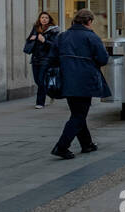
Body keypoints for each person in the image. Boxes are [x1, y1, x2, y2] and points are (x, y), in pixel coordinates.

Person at [47, 9, 110, 159]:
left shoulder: (62, 36)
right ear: (89, 21)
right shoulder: (91, 36)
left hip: (67, 81)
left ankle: (87, 144)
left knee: (78, 112)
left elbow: (52, 58)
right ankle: (61, 146)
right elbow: (103, 59)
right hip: (85, 80)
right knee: (78, 115)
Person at [24, 10, 59, 108]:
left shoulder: (54, 30)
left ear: (49, 19)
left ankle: (40, 103)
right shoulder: (36, 28)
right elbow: (29, 39)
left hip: (46, 58)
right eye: (42, 17)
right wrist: (33, 38)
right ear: (39, 19)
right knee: (37, 80)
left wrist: (44, 41)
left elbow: (55, 45)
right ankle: (51, 93)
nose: (44, 19)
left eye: (46, 18)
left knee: (41, 80)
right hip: (35, 58)